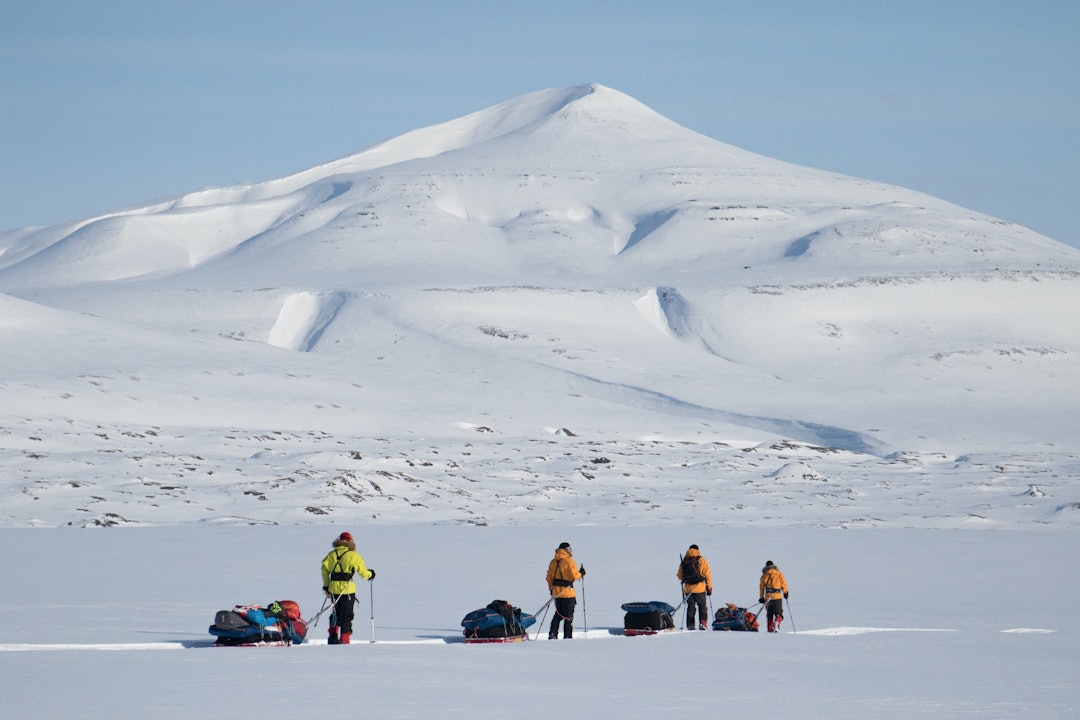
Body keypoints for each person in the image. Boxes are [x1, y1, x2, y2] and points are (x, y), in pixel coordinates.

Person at [320, 531, 375, 644]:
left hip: (333, 589)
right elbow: (363, 573)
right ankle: (345, 639)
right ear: (350, 541)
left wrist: (326, 587)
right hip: (347, 590)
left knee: (335, 613)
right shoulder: (353, 555)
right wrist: (371, 574)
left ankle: (332, 636)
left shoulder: (331, 555)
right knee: (347, 615)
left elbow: (324, 571)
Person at [546, 542, 585, 639]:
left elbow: (549, 578)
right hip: (568, 594)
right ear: (567, 550)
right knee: (568, 617)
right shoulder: (569, 561)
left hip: (557, 593)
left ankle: (552, 634)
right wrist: (581, 573)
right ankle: (567, 637)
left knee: (558, 614)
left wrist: (551, 589)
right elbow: (574, 576)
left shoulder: (553, 562)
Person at [677, 544, 713, 630]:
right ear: (698, 550)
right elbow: (707, 575)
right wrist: (709, 587)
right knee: (702, 606)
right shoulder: (701, 560)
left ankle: (690, 625)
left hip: (688, 589)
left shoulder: (684, 561)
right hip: (700, 588)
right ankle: (703, 623)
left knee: (691, 607)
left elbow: (680, 576)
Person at [758, 560, 789, 633]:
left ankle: (770, 629)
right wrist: (785, 592)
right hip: (777, 597)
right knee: (779, 613)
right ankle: (777, 624)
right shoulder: (779, 574)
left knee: (769, 614)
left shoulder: (764, 575)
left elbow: (761, 588)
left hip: (768, 597)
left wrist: (761, 597)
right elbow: (783, 584)